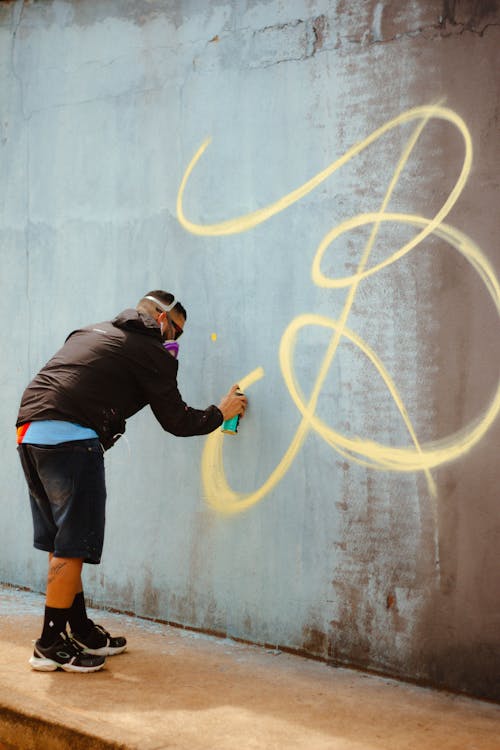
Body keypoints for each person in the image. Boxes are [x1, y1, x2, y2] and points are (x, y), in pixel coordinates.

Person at [16, 290, 247, 672]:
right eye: (176, 331)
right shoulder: (150, 349)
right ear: (161, 319)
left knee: (63, 543)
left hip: (30, 432)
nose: (176, 341)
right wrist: (219, 413)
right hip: (71, 438)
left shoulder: (93, 331)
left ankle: (80, 629)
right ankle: (49, 643)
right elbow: (178, 420)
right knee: (72, 547)